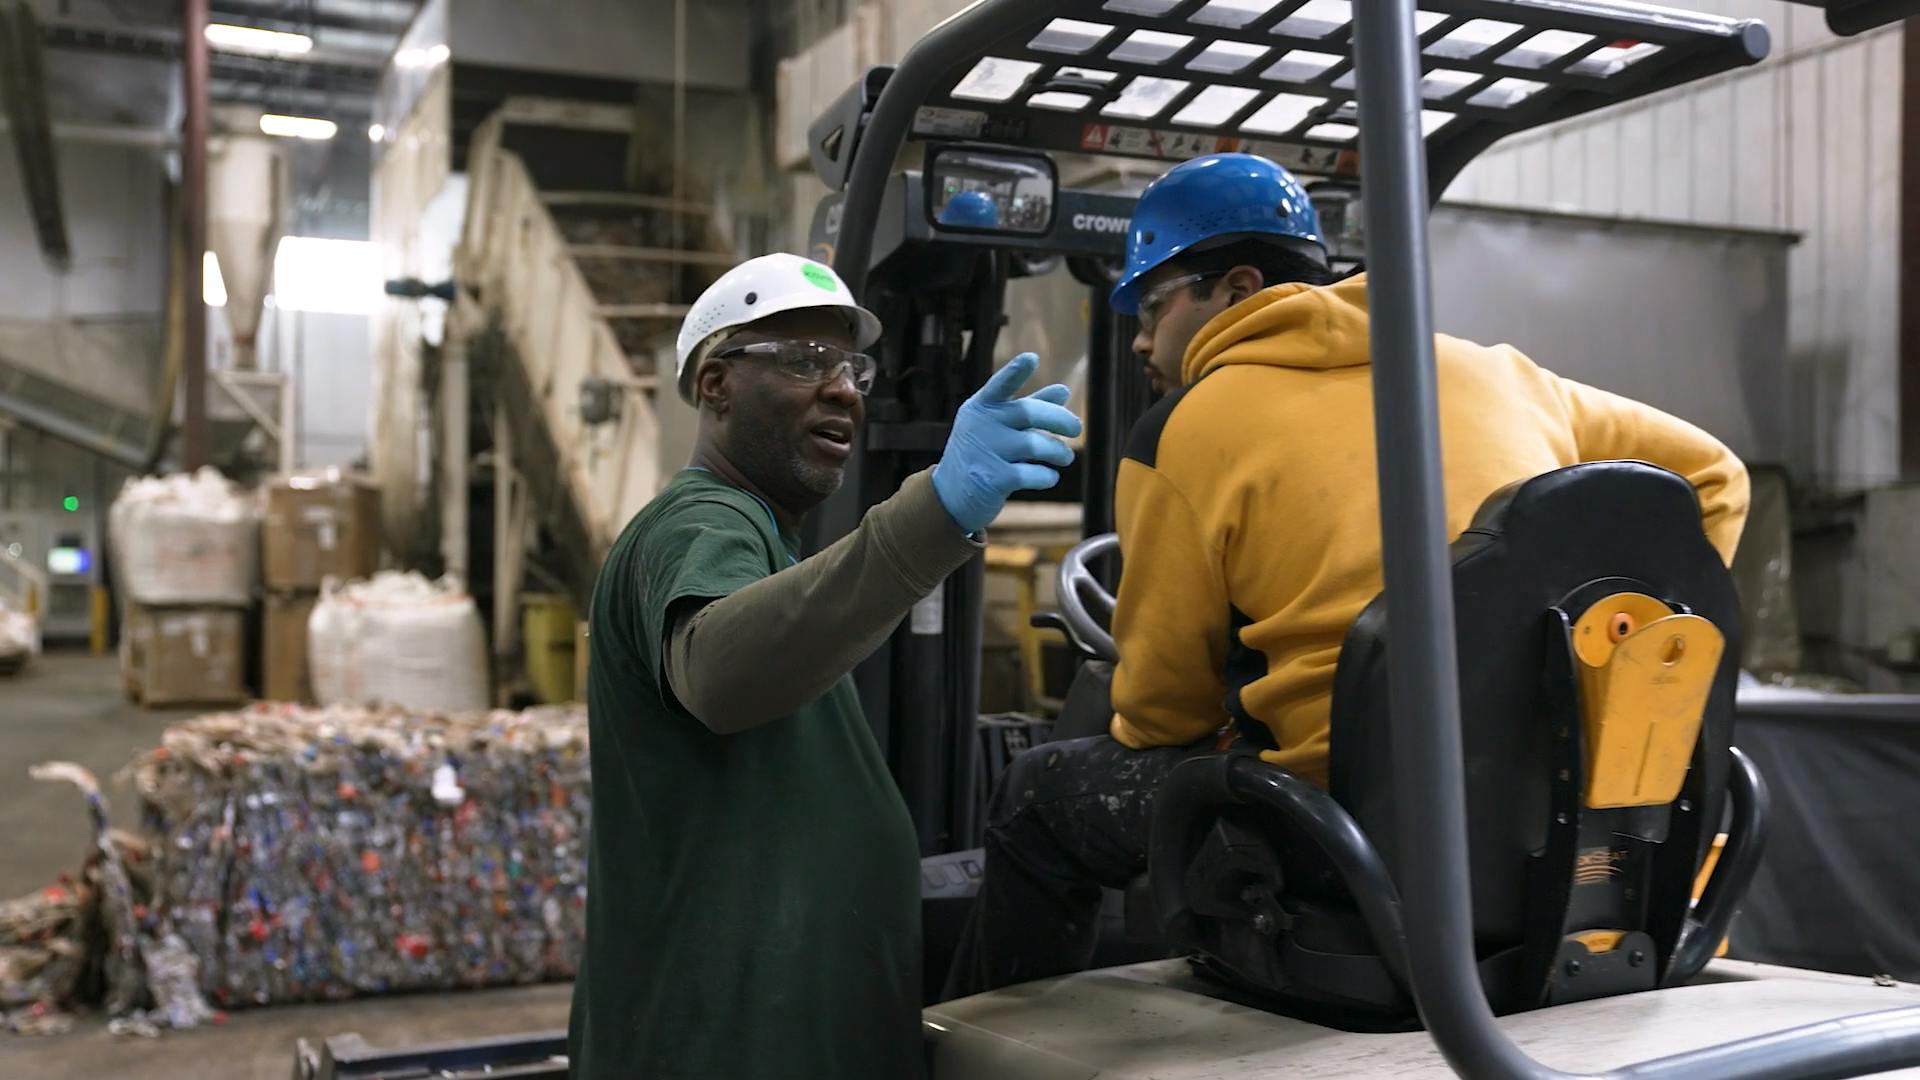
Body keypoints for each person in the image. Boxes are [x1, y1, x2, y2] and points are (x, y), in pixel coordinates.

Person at [942, 152, 1751, 998]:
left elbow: (1162, 714)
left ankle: (976, 1040)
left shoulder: (1183, 428)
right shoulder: (1503, 374)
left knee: (1036, 796)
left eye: (1153, 305)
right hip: (1559, 802)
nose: (1141, 338)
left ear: (1239, 287)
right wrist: (1641, 639)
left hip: (1336, 828)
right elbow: (1717, 475)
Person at [566, 251, 1080, 1080]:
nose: (843, 389)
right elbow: (720, 672)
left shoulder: (767, 544)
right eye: (806, 361)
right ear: (716, 384)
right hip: (723, 1045)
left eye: (851, 368)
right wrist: (932, 514)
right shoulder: (698, 523)